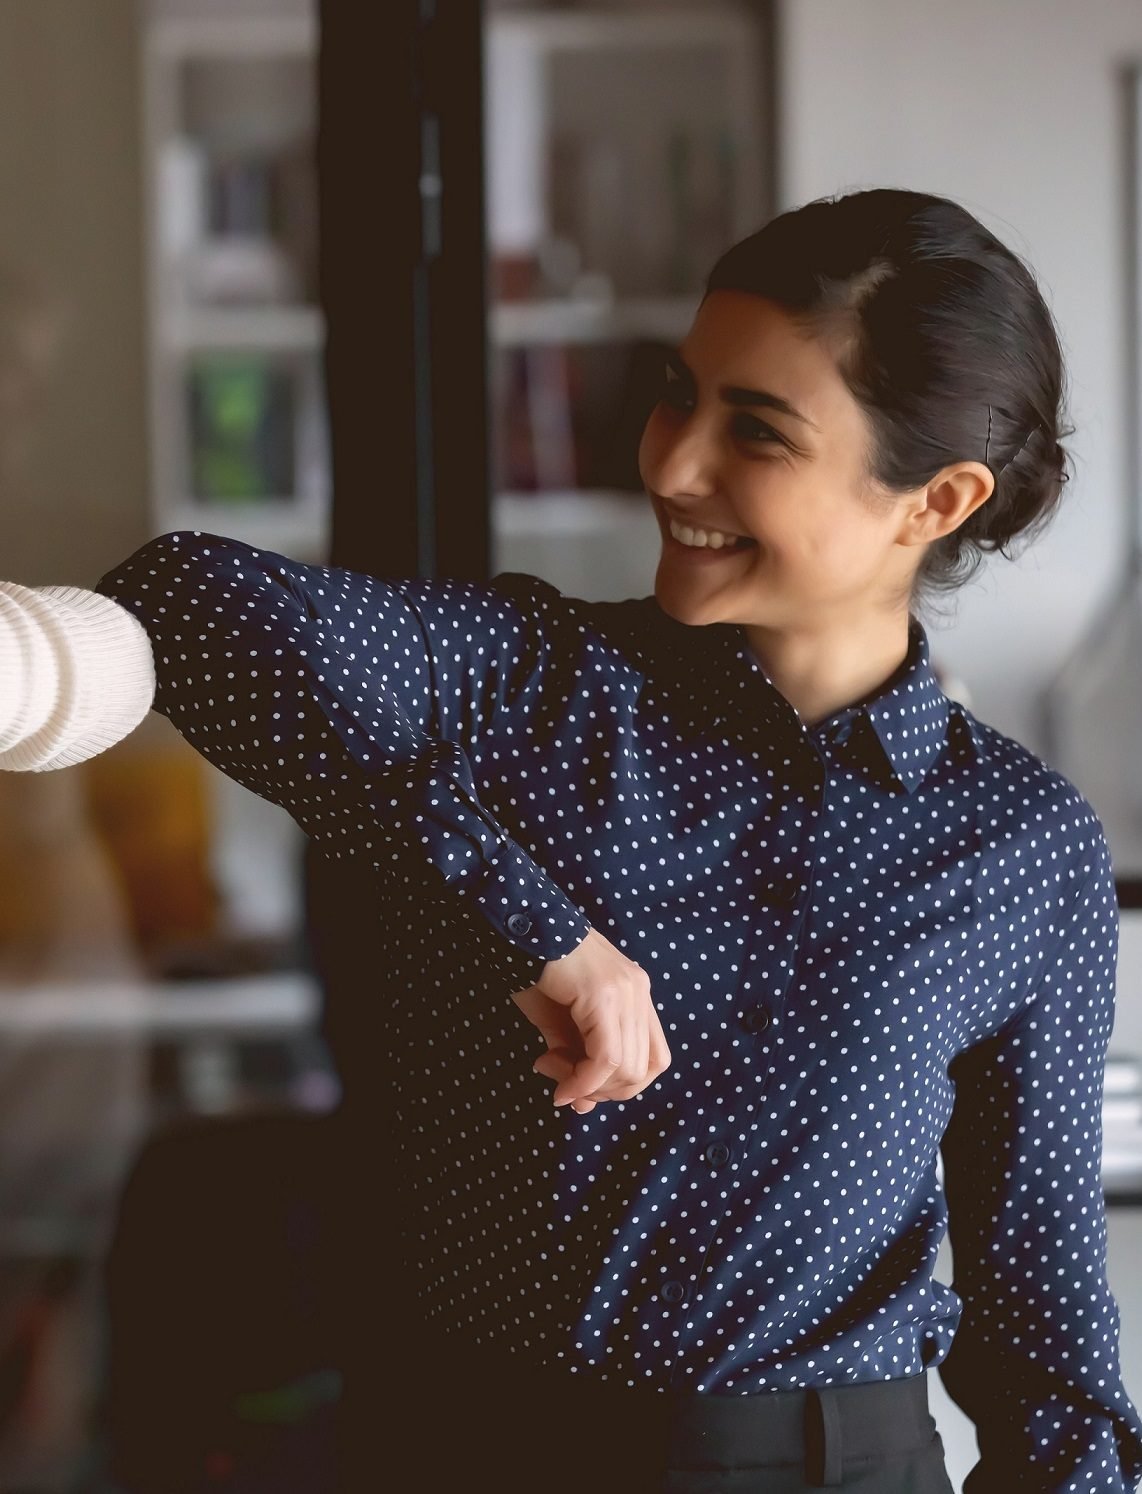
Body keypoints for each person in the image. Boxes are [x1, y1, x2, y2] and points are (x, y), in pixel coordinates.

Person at [94, 188, 1142, 1493]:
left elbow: (1044, 1331)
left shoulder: (1021, 847)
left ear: (935, 500)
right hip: (474, 1452)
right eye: (676, 395)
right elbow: (184, 600)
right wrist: (531, 926)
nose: (671, 464)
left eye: (754, 430)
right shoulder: (526, 682)